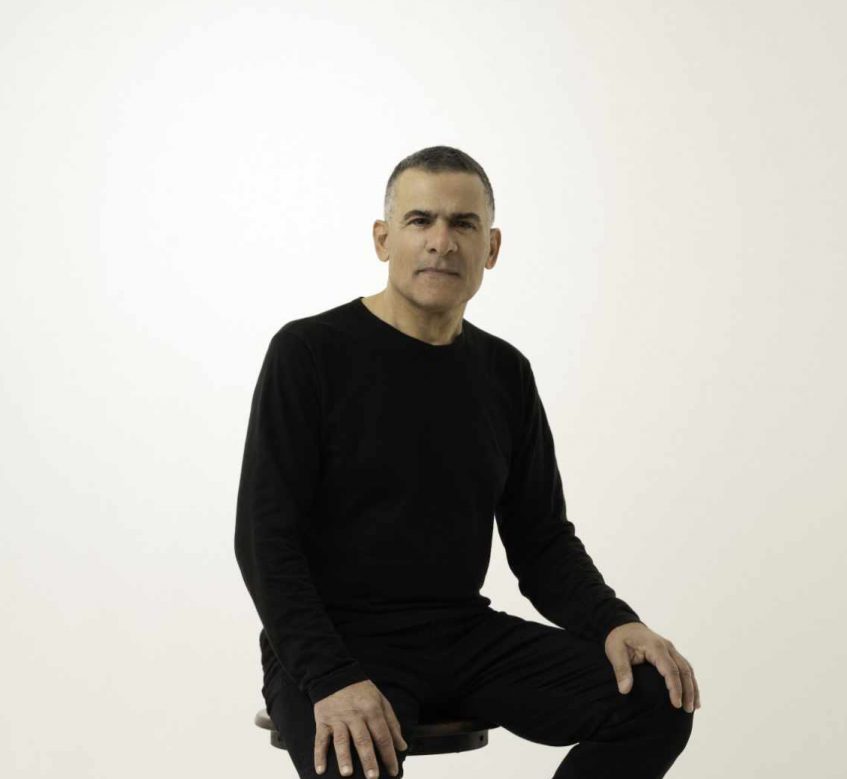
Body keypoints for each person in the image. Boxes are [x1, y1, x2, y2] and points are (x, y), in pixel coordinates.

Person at [235, 146, 698, 779]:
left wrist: (616, 623)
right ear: (383, 239)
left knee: (655, 699)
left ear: (491, 247)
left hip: (459, 636)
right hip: (335, 642)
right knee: (353, 761)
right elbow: (264, 542)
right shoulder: (308, 353)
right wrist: (331, 676)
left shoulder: (504, 373)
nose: (441, 242)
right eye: (420, 221)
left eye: (463, 224)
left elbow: (542, 542)